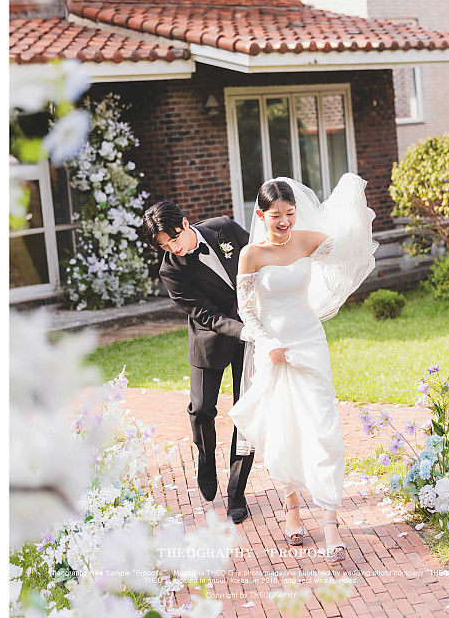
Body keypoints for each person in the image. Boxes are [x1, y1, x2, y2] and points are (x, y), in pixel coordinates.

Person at [228, 174, 377, 562]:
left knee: (324, 427)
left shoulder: (308, 240)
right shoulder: (251, 255)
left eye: (290, 213)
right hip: (273, 348)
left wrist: (352, 205)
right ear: (260, 215)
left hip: (310, 342)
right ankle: (292, 508)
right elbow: (246, 310)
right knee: (284, 428)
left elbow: (350, 251)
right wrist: (268, 345)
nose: (284, 221)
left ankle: (330, 523)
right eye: (275, 215)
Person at [141, 201, 254, 524]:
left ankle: (237, 492)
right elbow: (206, 314)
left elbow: (261, 260)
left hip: (254, 336)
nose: (173, 248)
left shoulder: (225, 229)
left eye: (174, 239)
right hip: (211, 338)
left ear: (186, 223)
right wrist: (242, 330)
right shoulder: (171, 271)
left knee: (248, 413)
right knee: (201, 409)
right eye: (164, 246)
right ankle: (206, 458)